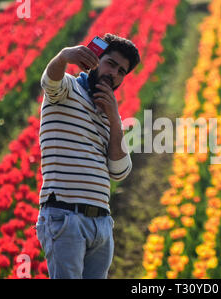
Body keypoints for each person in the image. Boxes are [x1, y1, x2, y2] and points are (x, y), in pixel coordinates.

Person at [35, 33, 140, 279]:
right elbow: (49, 82)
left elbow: (120, 171)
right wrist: (63, 57)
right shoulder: (67, 89)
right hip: (66, 216)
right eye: (110, 63)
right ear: (95, 59)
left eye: (122, 71)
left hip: (101, 223)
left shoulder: (109, 115)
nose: (114, 73)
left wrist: (114, 119)